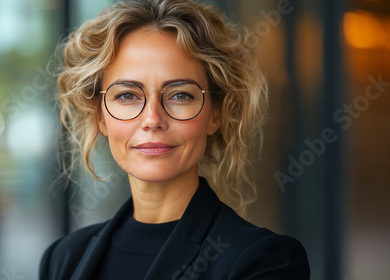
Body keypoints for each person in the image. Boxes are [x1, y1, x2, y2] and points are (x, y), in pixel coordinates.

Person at [40, 0, 310, 279]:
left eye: (180, 95)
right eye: (127, 95)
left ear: (215, 113)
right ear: (99, 116)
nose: (153, 119)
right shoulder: (62, 259)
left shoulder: (263, 261)